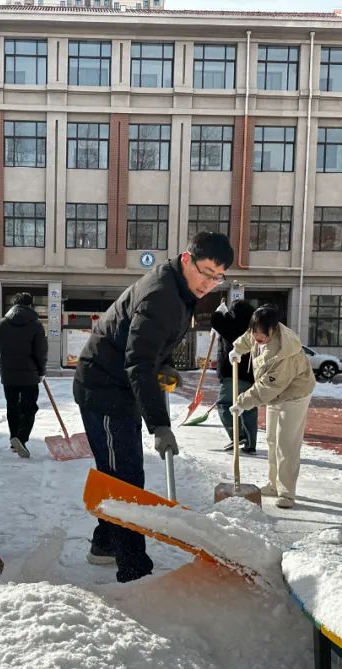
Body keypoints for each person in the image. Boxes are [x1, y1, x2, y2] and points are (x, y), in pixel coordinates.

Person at [73, 231, 234, 582]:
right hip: (103, 390)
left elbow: (146, 348)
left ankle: (104, 543)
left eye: (218, 277)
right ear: (188, 259)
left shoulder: (180, 287)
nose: (209, 283)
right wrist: (160, 425)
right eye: (206, 272)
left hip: (122, 387)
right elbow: (138, 362)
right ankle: (134, 571)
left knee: (121, 470)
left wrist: (165, 366)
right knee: (125, 480)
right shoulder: (162, 294)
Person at [229, 305, 316, 510]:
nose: (257, 338)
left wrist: (242, 402)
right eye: (255, 332)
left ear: (273, 329)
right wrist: (237, 349)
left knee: (286, 443)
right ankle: (274, 484)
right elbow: (248, 339)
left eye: (262, 335)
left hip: (294, 394)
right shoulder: (258, 332)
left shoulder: (282, 352)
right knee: (271, 439)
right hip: (275, 393)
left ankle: (286, 492)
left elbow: (268, 387)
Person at [0, 292, 47, 458]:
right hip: (29, 375)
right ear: (30, 305)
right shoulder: (36, 325)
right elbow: (40, 351)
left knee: (12, 407)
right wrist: (41, 371)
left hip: (8, 374)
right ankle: (21, 438)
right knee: (29, 407)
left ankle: (13, 438)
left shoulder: (1, 324)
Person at [210, 299, 258, 454]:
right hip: (251, 374)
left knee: (224, 405)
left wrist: (219, 310)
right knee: (248, 407)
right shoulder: (253, 327)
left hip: (232, 372)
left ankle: (238, 435)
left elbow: (216, 320)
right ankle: (251, 444)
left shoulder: (231, 324)